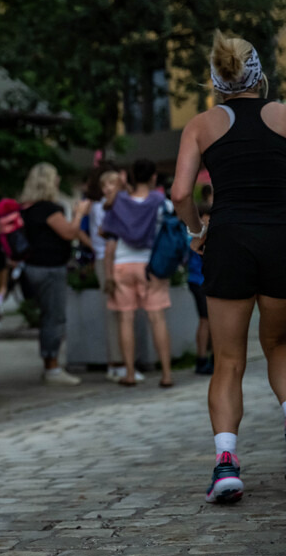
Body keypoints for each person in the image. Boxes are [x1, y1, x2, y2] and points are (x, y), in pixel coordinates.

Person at [171, 30, 286, 503]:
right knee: (278, 342)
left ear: (216, 79)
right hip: (284, 232)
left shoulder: (201, 125)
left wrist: (198, 232)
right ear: (260, 72)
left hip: (229, 237)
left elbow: (179, 194)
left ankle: (227, 465)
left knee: (229, 361)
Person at [101, 159, 174, 388]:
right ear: (153, 177)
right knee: (157, 319)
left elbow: (104, 230)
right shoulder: (160, 201)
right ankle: (166, 374)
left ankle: (130, 373)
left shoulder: (119, 201)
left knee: (126, 319)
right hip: (151, 265)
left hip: (122, 264)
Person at [18, 163, 89, 385]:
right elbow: (69, 233)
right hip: (50, 268)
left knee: (47, 316)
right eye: (56, 177)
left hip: (34, 267)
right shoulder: (49, 209)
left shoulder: (28, 209)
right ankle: (52, 368)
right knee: (54, 318)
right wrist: (78, 214)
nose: (58, 180)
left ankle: (50, 364)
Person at [91, 167, 143, 383]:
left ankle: (120, 362)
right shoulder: (102, 207)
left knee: (120, 313)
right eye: (104, 185)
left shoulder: (114, 204)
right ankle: (118, 363)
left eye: (112, 184)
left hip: (115, 259)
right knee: (116, 313)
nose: (108, 188)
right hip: (107, 260)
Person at [188, 204, 213, 376]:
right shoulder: (199, 234)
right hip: (199, 281)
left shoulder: (195, 233)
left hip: (199, 281)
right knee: (206, 321)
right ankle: (203, 358)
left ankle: (207, 358)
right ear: (202, 216)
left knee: (208, 321)